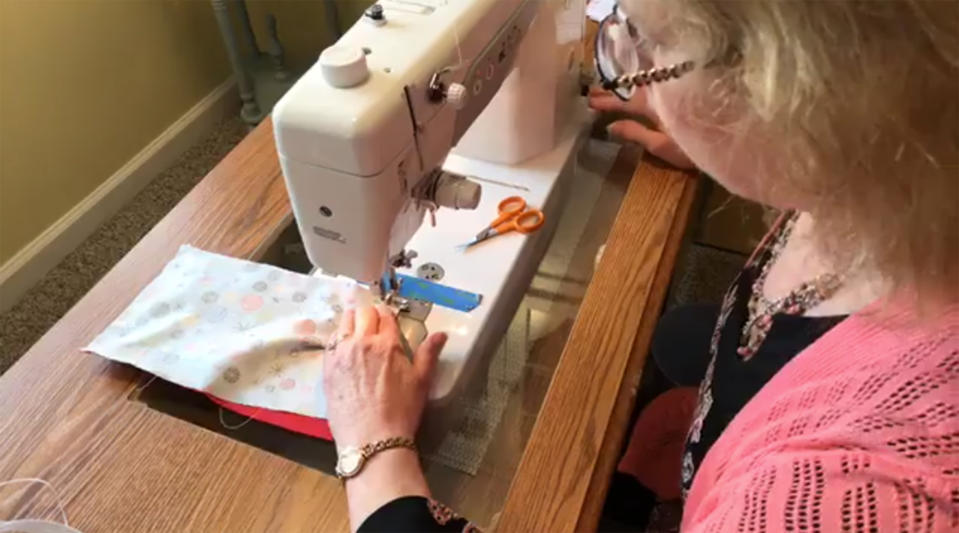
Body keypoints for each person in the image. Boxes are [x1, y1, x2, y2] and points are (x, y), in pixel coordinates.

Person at [321, 0, 959, 531]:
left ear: (779, 84)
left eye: (642, 39)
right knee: (679, 331)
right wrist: (749, 146)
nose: (627, 64)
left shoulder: (840, 495)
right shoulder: (893, 171)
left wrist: (376, 449)